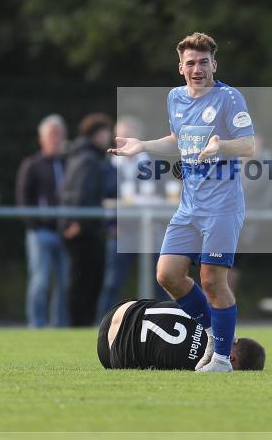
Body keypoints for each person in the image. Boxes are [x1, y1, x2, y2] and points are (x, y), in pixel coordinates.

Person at [110, 32, 256, 373]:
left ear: (214, 64)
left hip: (222, 206)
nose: (197, 68)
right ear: (180, 68)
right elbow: (178, 140)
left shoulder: (229, 98)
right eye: (190, 63)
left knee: (211, 280)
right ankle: (210, 334)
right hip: (189, 206)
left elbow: (248, 145)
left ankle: (222, 360)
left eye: (204, 62)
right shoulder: (175, 98)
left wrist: (222, 146)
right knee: (168, 274)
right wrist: (142, 145)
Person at [97, 115, 167, 319]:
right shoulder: (106, 167)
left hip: (151, 230)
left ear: (139, 137)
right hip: (120, 232)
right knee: (113, 282)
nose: (125, 140)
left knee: (162, 281)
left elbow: (167, 195)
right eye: (121, 135)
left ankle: (165, 324)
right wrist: (111, 225)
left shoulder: (154, 165)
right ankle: (104, 324)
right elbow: (101, 198)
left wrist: (157, 221)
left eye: (130, 135)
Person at [96, 298, 265, 371]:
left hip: (121, 310)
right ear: (232, 359)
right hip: (111, 352)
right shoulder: (203, 365)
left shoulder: (216, 320)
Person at [16, 114, 71, 328]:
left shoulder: (69, 164)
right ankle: (36, 325)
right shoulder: (32, 165)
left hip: (65, 232)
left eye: (59, 135)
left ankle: (59, 325)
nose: (56, 140)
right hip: (41, 232)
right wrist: (35, 226)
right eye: (52, 135)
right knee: (40, 281)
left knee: (65, 282)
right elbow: (23, 200)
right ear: (42, 139)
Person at [61, 113, 113, 326]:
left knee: (82, 279)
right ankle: (80, 325)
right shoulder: (88, 159)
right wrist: (78, 222)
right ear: (99, 134)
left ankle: (80, 323)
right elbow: (81, 193)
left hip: (84, 226)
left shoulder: (80, 155)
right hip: (85, 229)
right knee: (85, 280)